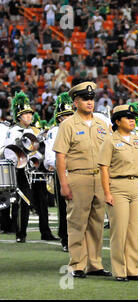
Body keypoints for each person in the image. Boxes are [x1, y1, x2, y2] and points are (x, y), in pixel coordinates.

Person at [53, 81, 112, 278]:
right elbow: (60, 156)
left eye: (91, 98)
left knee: (96, 223)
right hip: (78, 177)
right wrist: (63, 183)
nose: (89, 102)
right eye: (85, 99)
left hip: (99, 178)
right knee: (77, 223)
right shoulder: (68, 125)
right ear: (75, 102)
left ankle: (94, 264)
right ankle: (77, 264)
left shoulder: (102, 124)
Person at [98, 104, 138, 282]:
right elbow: (104, 168)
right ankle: (120, 270)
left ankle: (133, 269)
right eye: (127, 117)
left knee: (134, 232)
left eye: (133, 117)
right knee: (119, 231)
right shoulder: (110, 141)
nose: (132, 120)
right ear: (117, 121)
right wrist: (107, 192)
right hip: (117, 187)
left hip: (137, 186)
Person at [5, 91, 58, 243]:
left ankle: (45, 231)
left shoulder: (32, 130)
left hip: (35, 170)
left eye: (30, 113)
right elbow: (9, 153)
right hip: (21, 171)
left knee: (42, 201)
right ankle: (21, 233)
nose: (30, 116)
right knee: (24, 202)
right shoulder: (13, 131)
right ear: (19, 116)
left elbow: (38, 152)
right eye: (26, 114)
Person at [44, 92, 75, 252]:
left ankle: (79, 237)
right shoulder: (54, 131)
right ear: (59, 117)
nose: (68, 117)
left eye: (71, 114)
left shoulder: (79, 128)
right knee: (64, 206)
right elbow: (49, 155)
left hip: (79, 171)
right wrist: (58, 165)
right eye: (65, 115)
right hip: (63, 170)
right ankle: (65, 237)